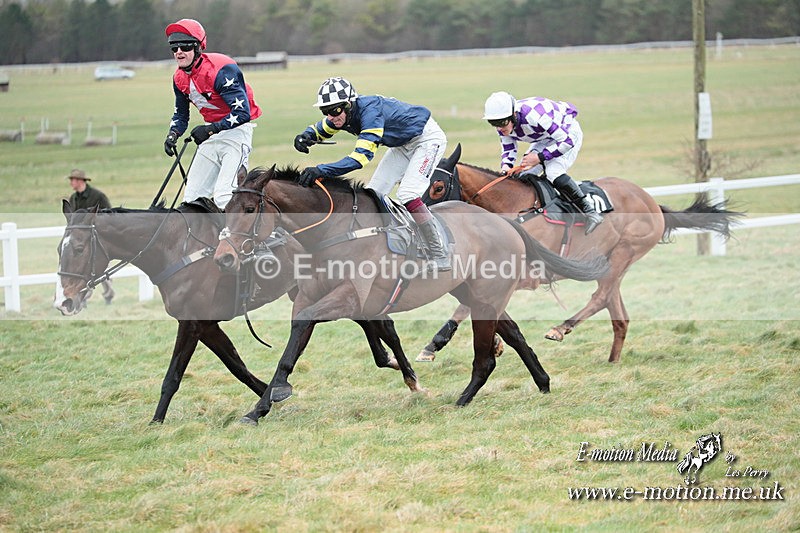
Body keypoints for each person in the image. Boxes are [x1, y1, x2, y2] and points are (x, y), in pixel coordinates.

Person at [293, 77, 450, 270]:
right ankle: (386, 245)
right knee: (373, 193)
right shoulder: (341, 115)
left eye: (335, 110)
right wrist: (305, 136)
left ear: (349, 105)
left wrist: (321, 170)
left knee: (408, 193)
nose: (332, 116)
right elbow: (322, 128)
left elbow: (360, 159)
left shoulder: (370, 114)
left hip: (427, 140)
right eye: (326, 111)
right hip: (402, 145)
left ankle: (439, 253)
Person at [163, 18, 261, 210]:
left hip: (236, 132)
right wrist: (173, 134)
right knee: (191, 199)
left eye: (185, 46)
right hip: (211, 134)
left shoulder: (222, 70)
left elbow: (242, 113)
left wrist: (210, 129)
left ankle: (244, 237)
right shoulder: (179, 78)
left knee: (225, 196)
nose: (179, 52)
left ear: (198, 48)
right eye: (174, 48)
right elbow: (181, 116)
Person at [482, 91, 603, 234]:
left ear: (514, 115)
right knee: (522, 175)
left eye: (502, 123)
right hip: (544, 139)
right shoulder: (503, 124)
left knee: (553, 172)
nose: (499, 128)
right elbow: (509, 148)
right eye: (493, 123)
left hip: (567, 134)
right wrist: (506, 168)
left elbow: (567, 141)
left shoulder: (535, 117)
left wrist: (539, 157)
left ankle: (590, 211)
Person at [66, 168, 114, 304]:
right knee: (86, 269)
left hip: (99, 238)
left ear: (80, 181)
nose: (71, 183)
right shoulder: (73, 198)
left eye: (73, 180)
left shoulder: (98, 196)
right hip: (83, 240)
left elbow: (109, 214)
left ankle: (108, 295)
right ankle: (83, 298)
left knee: (101, 270)